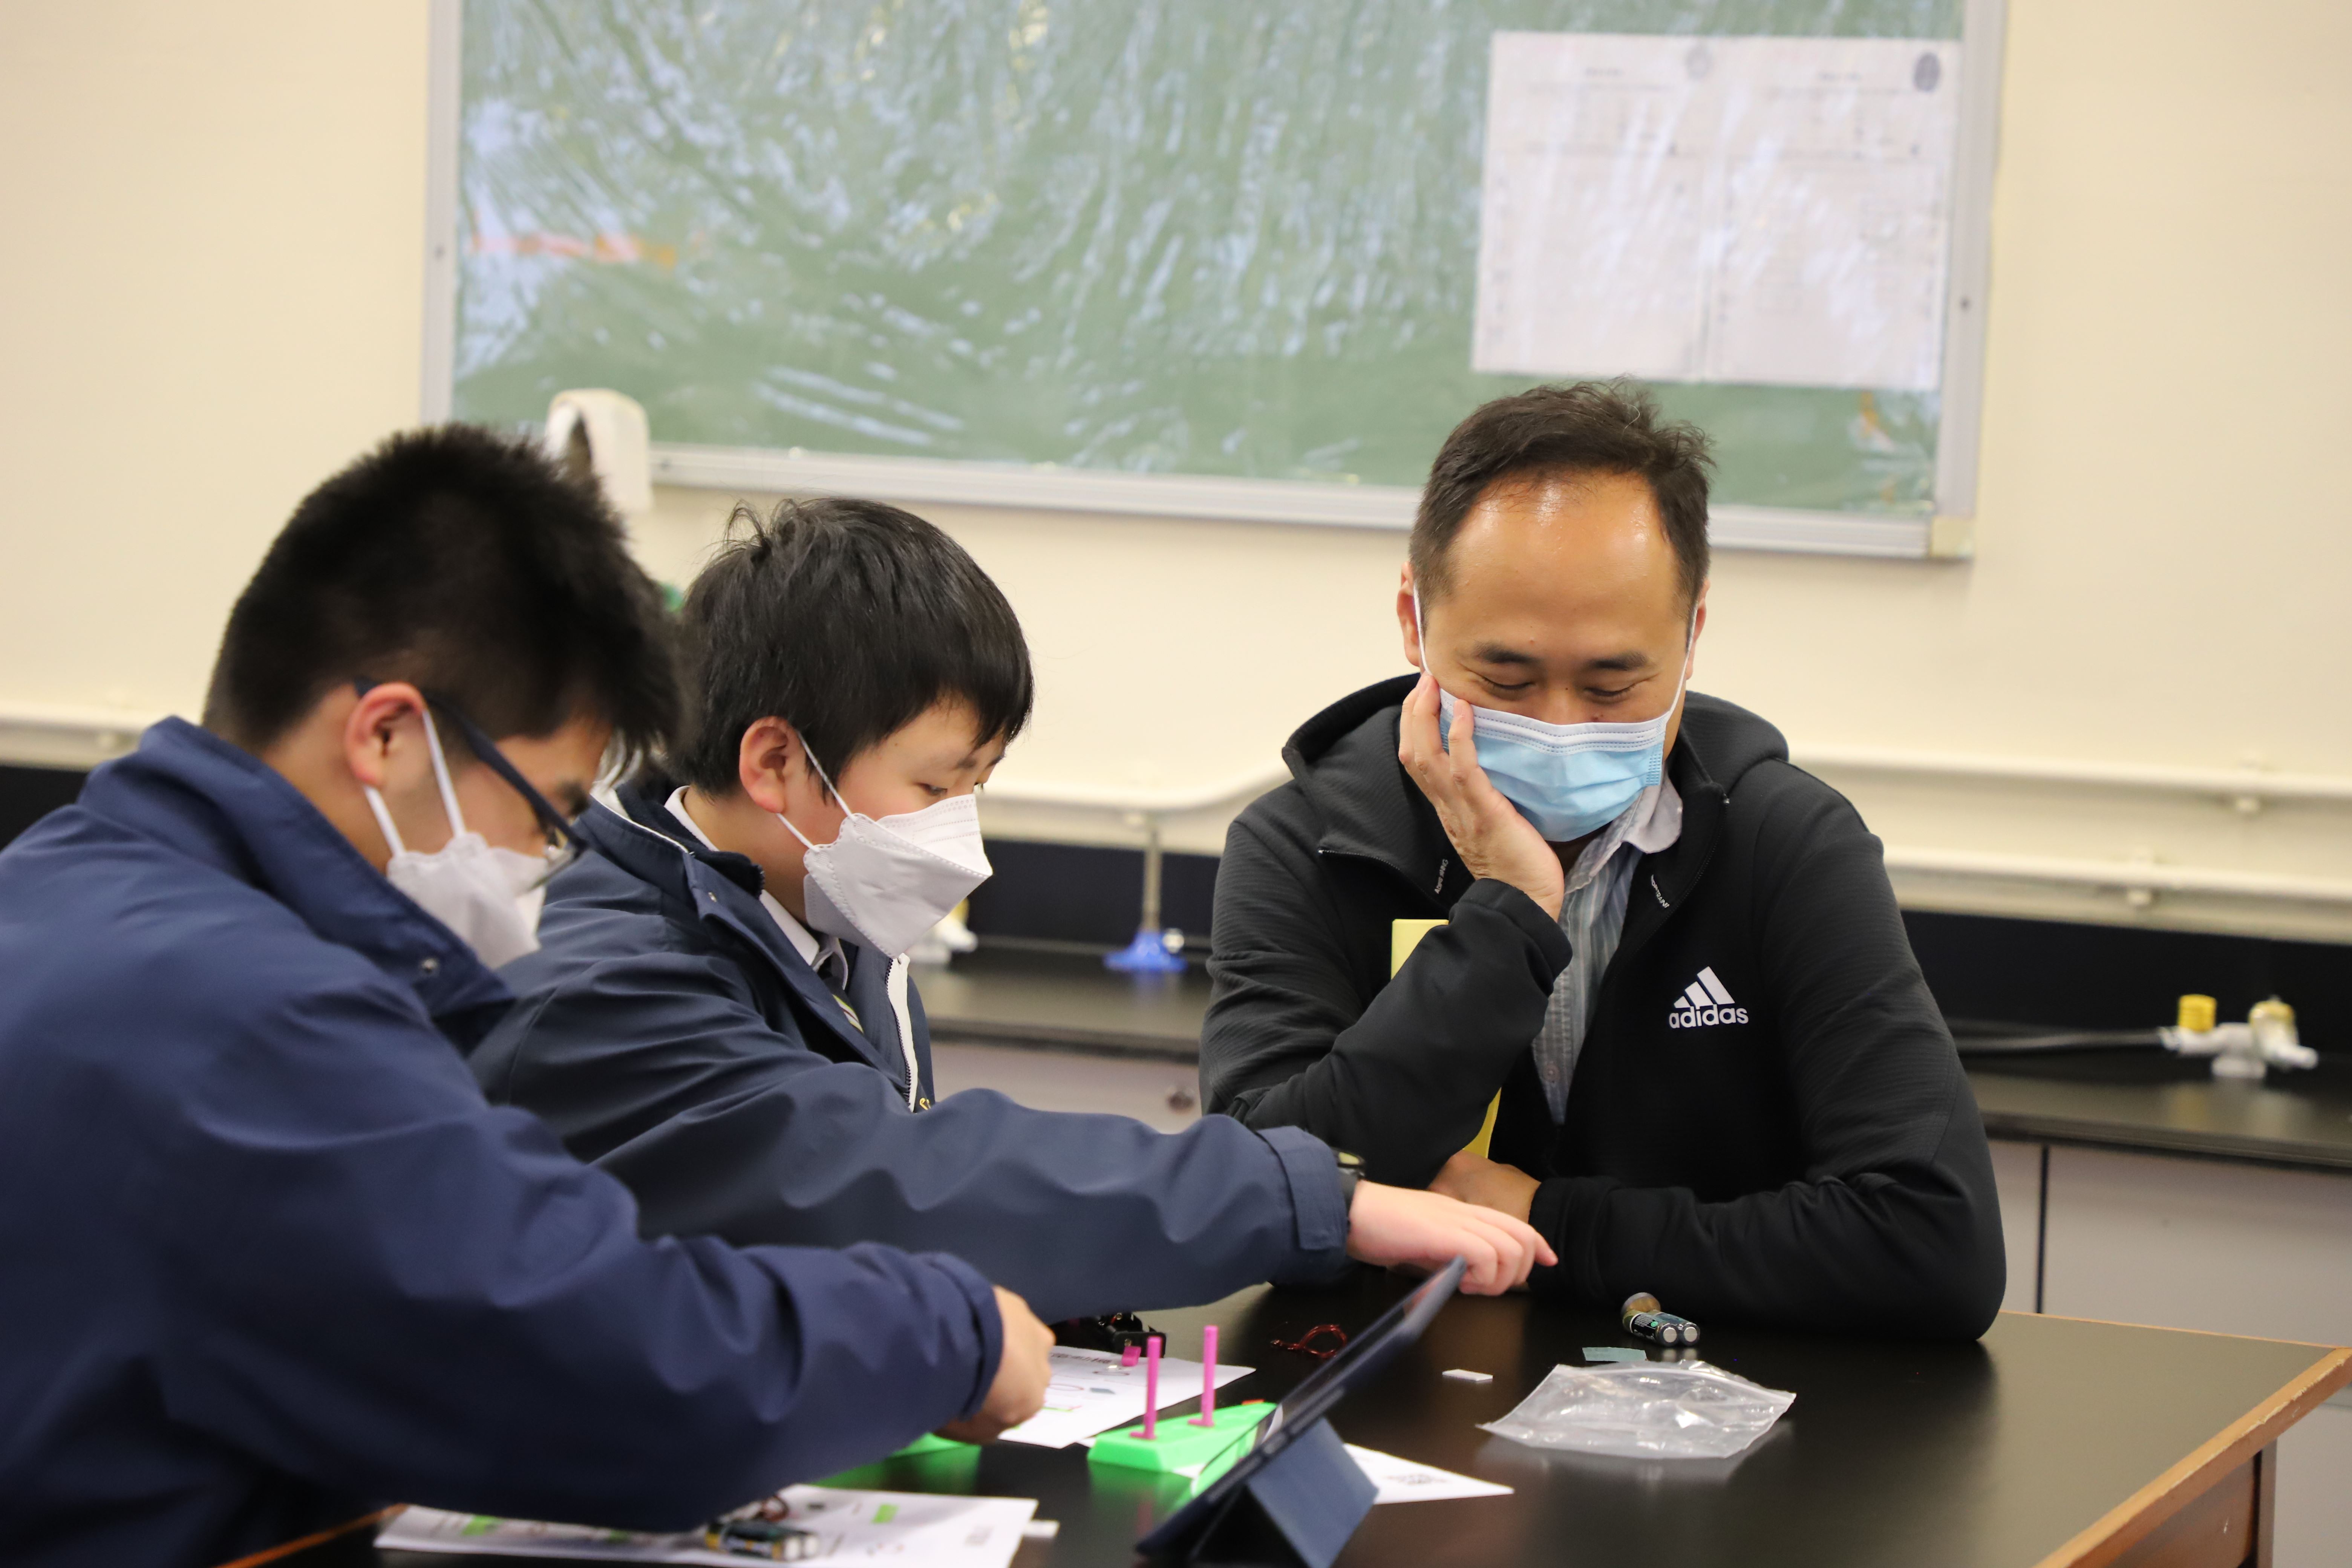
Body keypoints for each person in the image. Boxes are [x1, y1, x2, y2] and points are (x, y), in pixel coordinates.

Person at [0, 430, 1054, 1568]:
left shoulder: (56, 890)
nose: (545, 858)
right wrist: (945, 1331)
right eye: (547, 809)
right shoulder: (259, 1016)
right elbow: (610, 1363)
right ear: (388, 735)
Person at [471, 497, 1552, 1321]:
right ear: (775, 763)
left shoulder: (820, 905)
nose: (958, 833)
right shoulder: (605, 978)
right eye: (936, 786)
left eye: (977, 786)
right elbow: (888, 1179)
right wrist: (1307, 1201)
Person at [1199, 382, 2006, 1339]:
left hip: (1714, 1408)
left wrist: (1550, 1223)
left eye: (1613, 686)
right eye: (1506, 679)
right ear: (1414, 619)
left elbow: (1934, 1244)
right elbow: (1257, 1194)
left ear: (1693, 634)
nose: (1559, 726)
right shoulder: (1306, 847)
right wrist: (1510, 911)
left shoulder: (1786, 844)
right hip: (1387, 1395)